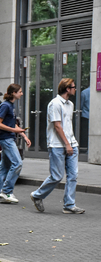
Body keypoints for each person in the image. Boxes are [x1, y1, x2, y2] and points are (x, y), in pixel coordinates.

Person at [30, 78, 85, 214]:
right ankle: (37, 195)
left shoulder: (70, 104)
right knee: (57, 176)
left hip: (72, 143)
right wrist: (67, 144)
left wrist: (71, 143)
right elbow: (57, 126)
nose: (75, 89)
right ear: (67, 89)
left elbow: (67, 126)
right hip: (57, 145)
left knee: (73, 175)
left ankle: (69, 205)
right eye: (74, 87)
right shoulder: (54, 104)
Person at [0, 83, 31, 203]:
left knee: (4, 167)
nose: (22, 93)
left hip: (8, 138)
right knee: (17, 163)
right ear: (13, 93)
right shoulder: (5, 106)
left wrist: (23, 134)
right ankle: (6, 191)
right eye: (20, 91)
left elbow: (10, 123)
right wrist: (15, 130)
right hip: (6, 139)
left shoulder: (10, 105)